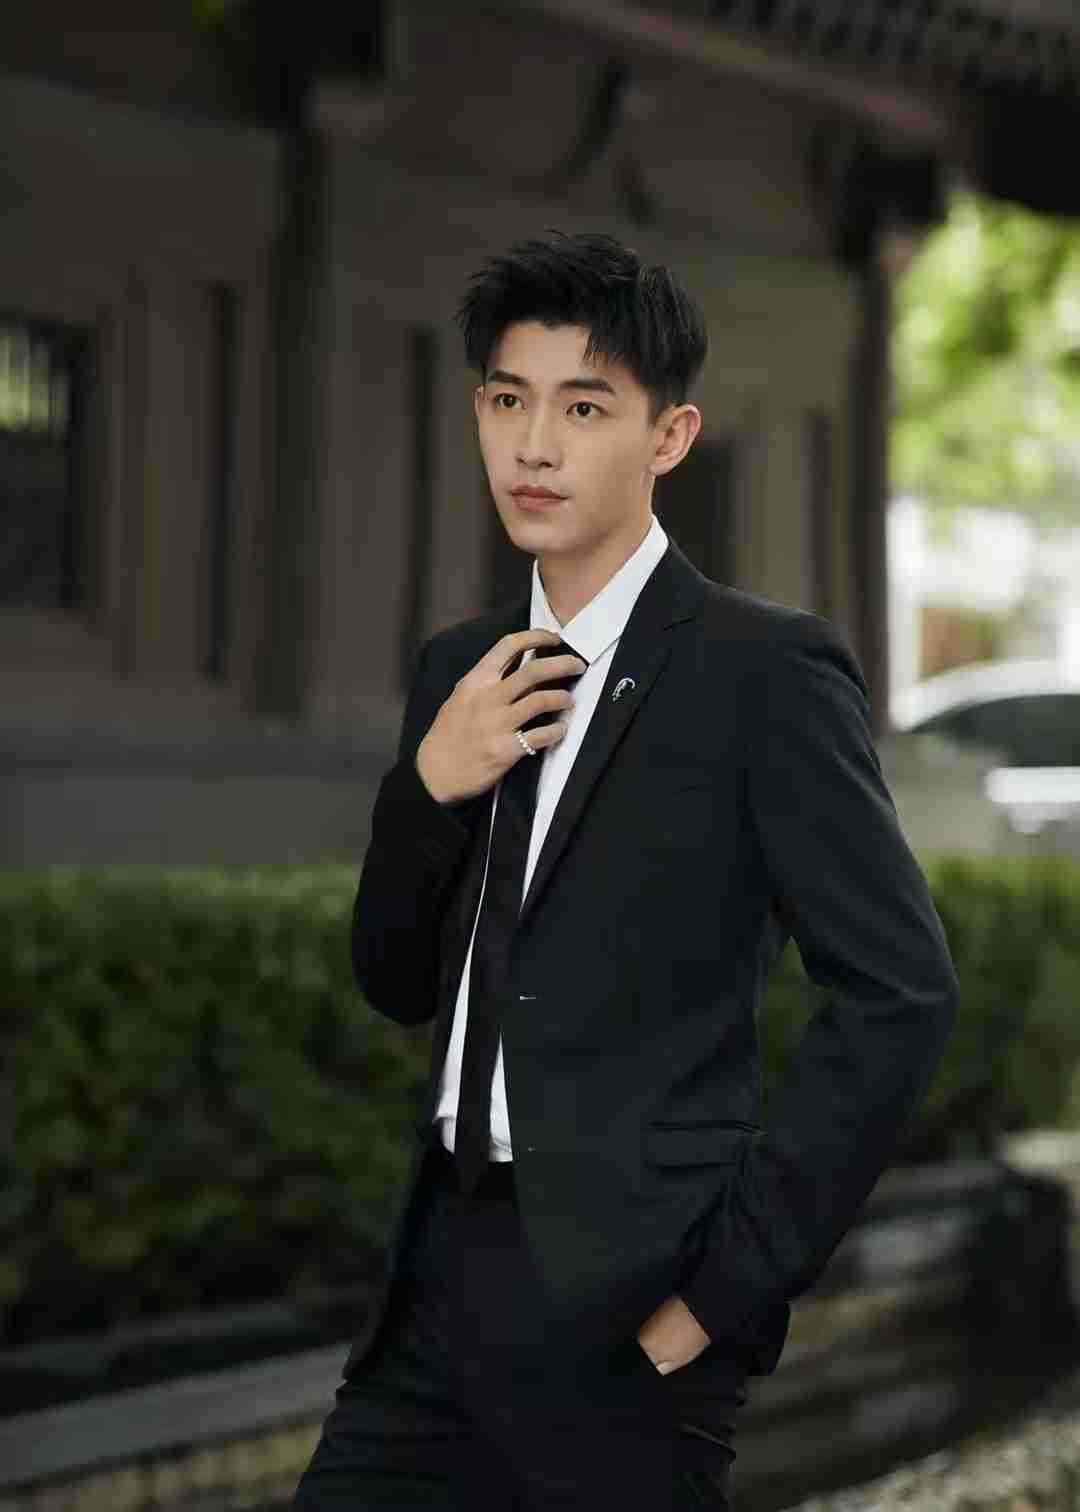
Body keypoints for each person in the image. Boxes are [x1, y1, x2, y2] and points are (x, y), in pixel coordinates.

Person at [292, 230, 959, 1511]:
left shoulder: (765, 674)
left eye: (583, 407)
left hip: (632, 1310)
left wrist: (722, 1293)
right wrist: (429, 787)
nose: (533, 446)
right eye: (508, 401)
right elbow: (392, 978)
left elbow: (901, 993)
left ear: (669, 436)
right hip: (434, 1289)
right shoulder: (458, 669)